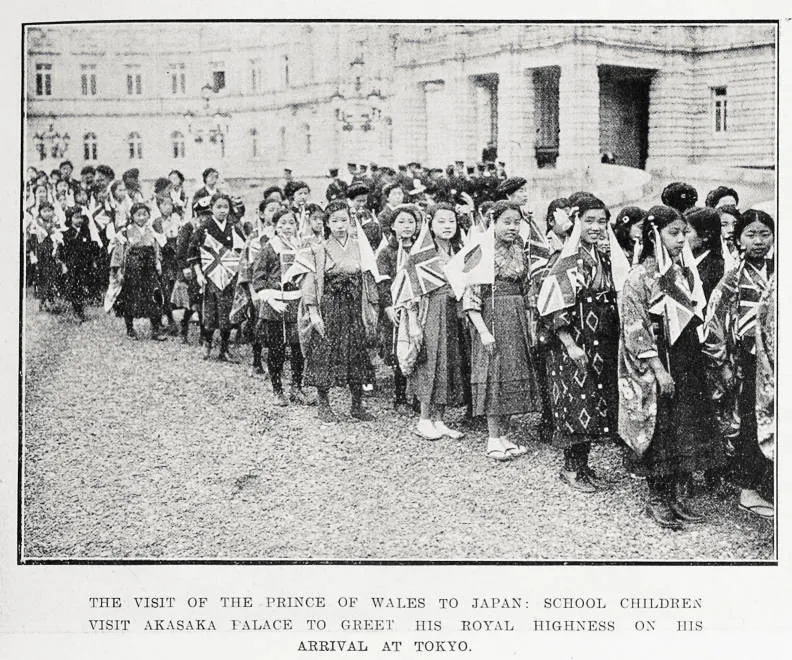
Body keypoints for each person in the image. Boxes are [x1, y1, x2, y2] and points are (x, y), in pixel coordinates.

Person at [619, 205, 725, 530]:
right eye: (673, 233)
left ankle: (677, 494)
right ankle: (657, 496)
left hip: (685, 355)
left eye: (684, 232)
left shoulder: (682, 271)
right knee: (660, 427)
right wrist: (658, 369)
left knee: (684, 423)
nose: (681, 239)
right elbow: (634, 325)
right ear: (655, 235)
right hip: (657, 358)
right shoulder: (638, 276)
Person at [540, 195, 620, 492]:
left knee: (593, 401)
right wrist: (569, 343)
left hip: (599, 339)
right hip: (573, 342)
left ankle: (584, 466)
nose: (597, 227)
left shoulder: (602, 256)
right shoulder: (566, 260)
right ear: (576, 222)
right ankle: (571, 468)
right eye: (589, 221)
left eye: (602, 221)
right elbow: (550, 306)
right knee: (576, 400)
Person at [702, 209, 775, 520]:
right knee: (750, 422)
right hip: (748, 362)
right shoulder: (732, 278)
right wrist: (724, 365)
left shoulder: (778, 269)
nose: (758, 241)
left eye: (764, 234)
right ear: (739, 238)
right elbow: (713, 324)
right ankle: (748, 488)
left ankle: (771, 481)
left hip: (778, 358)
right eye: (751, 234)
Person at [465, 201, 542, 460]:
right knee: (493, 374)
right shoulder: (482, 249)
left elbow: (527, 285)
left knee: (512, 372)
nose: (512, 227)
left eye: (516, 222)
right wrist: (484, 331)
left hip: (517, 315)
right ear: (493, 222)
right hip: (492, 316)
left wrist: (530, 320)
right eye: (506, 222)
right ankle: (492, 438)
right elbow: (471, 296)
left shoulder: (520, 246)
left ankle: (505, 436)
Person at [301, 200, 377, 422]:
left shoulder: (360, 246)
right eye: (334, 221)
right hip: (331, 305)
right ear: (327, 223)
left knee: (356, 350)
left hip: (354, 305)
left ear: (350, 221)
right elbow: (310, 282)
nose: (340, 225)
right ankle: (324, 404)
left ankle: (357, 404)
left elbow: (368, 277)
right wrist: (314, 312)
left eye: (344, 220)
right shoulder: (319, 249)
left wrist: (371, 306)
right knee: (326, 351)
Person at [407, 204, 466, 441]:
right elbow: (410, 290)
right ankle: (423, 419)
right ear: (430, 224)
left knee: (449, 361)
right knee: (431, 361)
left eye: (451, 221)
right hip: (431, 310)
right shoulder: (422, 253)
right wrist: (413, 321)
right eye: (441, 222)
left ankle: (440, 419)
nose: (447, 226)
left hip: (454, 310)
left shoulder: (458, 249)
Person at [250, 208, 313, 406]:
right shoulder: (268, 249)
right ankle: (277, 389)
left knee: (298, 348)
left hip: (296, 303)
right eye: (282, 224)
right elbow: (258, 279)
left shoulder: (300, 248)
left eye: (291, 223)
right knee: (276, 350)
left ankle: (297, 386)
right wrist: (271, 300)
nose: (287, 227)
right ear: (275, 227)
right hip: (274, 305)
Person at [188, 193, 247, 361]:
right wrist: (199, 273)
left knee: (227, 311)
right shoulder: (204, 228)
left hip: (229, 275)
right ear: (212, 208)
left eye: (225, 207)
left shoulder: (233, 226)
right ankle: (207, 343)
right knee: (210, 311)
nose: (222, 211)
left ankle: (224, 348)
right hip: (211, 275)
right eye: (218, 207)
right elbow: (193, 252)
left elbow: (242, 249)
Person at [376, 204, 420, 414]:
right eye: (401, 222)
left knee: (420, 349)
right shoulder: (387, 252)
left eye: (411, 222)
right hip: (396, 308)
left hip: (418, 306)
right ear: (392, 226)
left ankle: (420, 396)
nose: (406, 226)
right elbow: (382, 282)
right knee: (399, 349)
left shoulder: (421, 249)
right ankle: (400, 396)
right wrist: (387, 307)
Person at [235, 198, 279, 376]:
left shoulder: (283, 234)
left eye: (278, 209)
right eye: (270, 210)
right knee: (258, 324)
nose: (274, 213)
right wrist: (253, 291)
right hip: (259, 286)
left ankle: (274, 363)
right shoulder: (255, 237)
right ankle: (256, 361)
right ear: (261, 214)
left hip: (277, 285)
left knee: (275, 325)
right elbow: (247, 265)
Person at [110, 203, 166, 340]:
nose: (141, 218)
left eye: (144, 214)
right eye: (138, 215)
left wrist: (158, 262)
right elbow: (118, 252)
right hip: (132, 269)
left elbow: (157, 249)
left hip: (149, 268)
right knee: (130, 298)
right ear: (132, 216)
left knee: (154, 297)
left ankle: (156, 329)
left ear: (148, 215)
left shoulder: (152, 231)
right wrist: (118, 271)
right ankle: (130, 329)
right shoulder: (125, 232)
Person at [151, 196, 182, 335]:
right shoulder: (156, 223)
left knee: (173, 287)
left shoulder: (176, 219)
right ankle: (166, 319)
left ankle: (171, 318)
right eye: (164, 204)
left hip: (174, 256)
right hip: (164, 257)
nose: (167, 207)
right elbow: (156, 243)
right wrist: (157, 260)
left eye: (170, 204)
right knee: (164, 289)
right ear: (159, 206)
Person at [58, 208, 94, 322]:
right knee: (74, 289)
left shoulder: (85, 231)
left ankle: (80, 310)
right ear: (70, 219)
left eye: (81, 217)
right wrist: (64, 264)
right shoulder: (67, 234)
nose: (79, 220)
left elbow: (89, 247)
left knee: (82, 288)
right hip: (73, 266)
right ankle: (76, 312)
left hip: (84, 264)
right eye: (76, 217)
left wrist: (91, 261)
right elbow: (64, 251)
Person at [683, 207, 724, 301]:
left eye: (687, 231)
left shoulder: (717, 267)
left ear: (706, 235)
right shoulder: (680, 261)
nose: (681, 237)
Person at [30, 202, 64, 311]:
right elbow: (32, 240)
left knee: (52, 276)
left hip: (51, 252)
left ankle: (50, 300)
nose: (47, 213)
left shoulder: (55, 223)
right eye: (44, 211)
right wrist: (32, 254)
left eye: (49, 211)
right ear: (40, 212)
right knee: (41, 277)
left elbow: (58, 237)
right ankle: (40, 301)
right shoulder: (36, 223)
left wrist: (57, 247)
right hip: (41, 253)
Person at [347, 182, 382, 251]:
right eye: (359, 201)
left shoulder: (367, 212)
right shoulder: (345, 213)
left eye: (364, 201)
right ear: (350, 200)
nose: (362, 204)